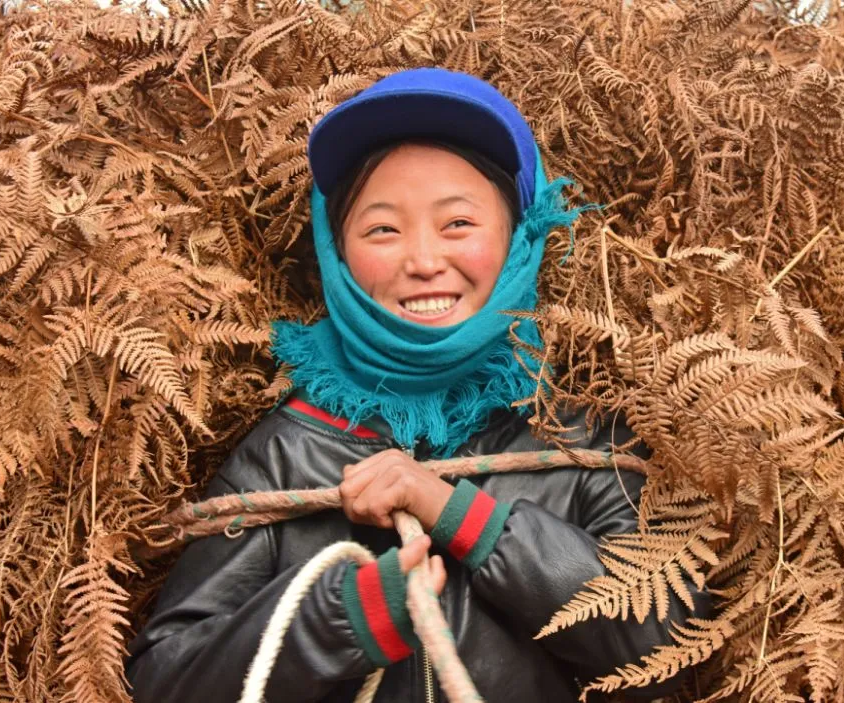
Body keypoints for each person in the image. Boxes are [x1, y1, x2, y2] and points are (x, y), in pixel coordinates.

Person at [125, 67, 709, 703]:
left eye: (458, 223)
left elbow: (669, 651)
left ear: (520, 236)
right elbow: (164, 680)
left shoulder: (585, 439)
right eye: (383, 229)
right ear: (336, 252)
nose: (425, 261)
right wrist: (336, 621)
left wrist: (462, 517)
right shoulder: (285, 455)